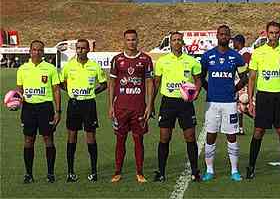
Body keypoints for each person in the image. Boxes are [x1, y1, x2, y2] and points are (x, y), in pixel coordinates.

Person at [246, 21, 280, 180]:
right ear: (266, 34)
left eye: (277, 33)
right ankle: (251, 167)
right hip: (263, 97)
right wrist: (250, 100)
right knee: (258, 131)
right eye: (271, 33)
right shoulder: (258, 52)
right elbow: (252, 78)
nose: (274, 35)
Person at [152, 31, 202, 182]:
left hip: (185, 103)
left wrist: (197, 91)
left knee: (190, 137)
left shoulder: (191, 61)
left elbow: (198, 79)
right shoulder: (162, 61)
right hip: (168, 103)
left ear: (183, 42)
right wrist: (151, 103)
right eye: (174, 40)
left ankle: (195, 171)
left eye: (179, 40)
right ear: (170, 43)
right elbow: (156, 83)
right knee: (165, 137)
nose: (177, 42)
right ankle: (161, 172)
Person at [200, 25, 246, 182]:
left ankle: (234, 170)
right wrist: (209, 89)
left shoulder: (236, 57)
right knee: (211, 135)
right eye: (221, 34)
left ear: (230, 37)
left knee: (231, 135)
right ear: (217, 36)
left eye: (226, 34)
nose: (224, 36)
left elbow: (245, 76)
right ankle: (209, 170)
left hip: (229, 103)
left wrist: (234, 89)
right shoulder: (207, 56)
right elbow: (200, 77)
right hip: (212, 103)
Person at [108, 30, 154, 183]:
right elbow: (112, 83)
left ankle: (140, 172)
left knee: (138, 140)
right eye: (128, 40)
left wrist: (149, 104)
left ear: (137, 40)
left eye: (133, 39)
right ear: (124, 41)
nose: (131, 42)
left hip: (138, 108)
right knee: (120, 140)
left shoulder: (146, 59)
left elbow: (149, 83)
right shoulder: (117, 59)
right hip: (121, 108)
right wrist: (111, 106)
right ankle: (117, 172)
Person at [60, 39, 107, 182]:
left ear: (88, 50)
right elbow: (61, 82)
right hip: (74, 104)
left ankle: (93, 172)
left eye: (83, 48)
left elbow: (104, 84)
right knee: (71, 136)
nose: (80, 50)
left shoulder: (94, 66)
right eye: (78, 48)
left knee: (91, 137)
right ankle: (70, 172)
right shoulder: (68, 66)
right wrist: (70, 92)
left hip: (89, 104)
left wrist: (91, 92)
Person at [16, 40, 61, 183]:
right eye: (34, 50)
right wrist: (16, 102)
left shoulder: (50, 68)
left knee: (48, 139)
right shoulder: (22, 69)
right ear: (30, 51)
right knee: (29, 140)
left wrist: (58, 111)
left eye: (40, 50)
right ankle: (28, 174)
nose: (37, 52)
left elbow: (56, 90)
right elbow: (19, 91)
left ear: (43, 52)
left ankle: (50, 173)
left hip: (45, 107)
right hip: (28, 108)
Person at [233, 34, 252, 135]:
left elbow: (247, 67)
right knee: (238, 107)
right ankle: (239, 128)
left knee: (244, 106)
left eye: (234, 42)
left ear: (238, 42)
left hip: (243, 83)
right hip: (238, 82)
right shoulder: (239, 53)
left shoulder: (245, 53)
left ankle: (262, 121)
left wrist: (242, 77)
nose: (233, 44)